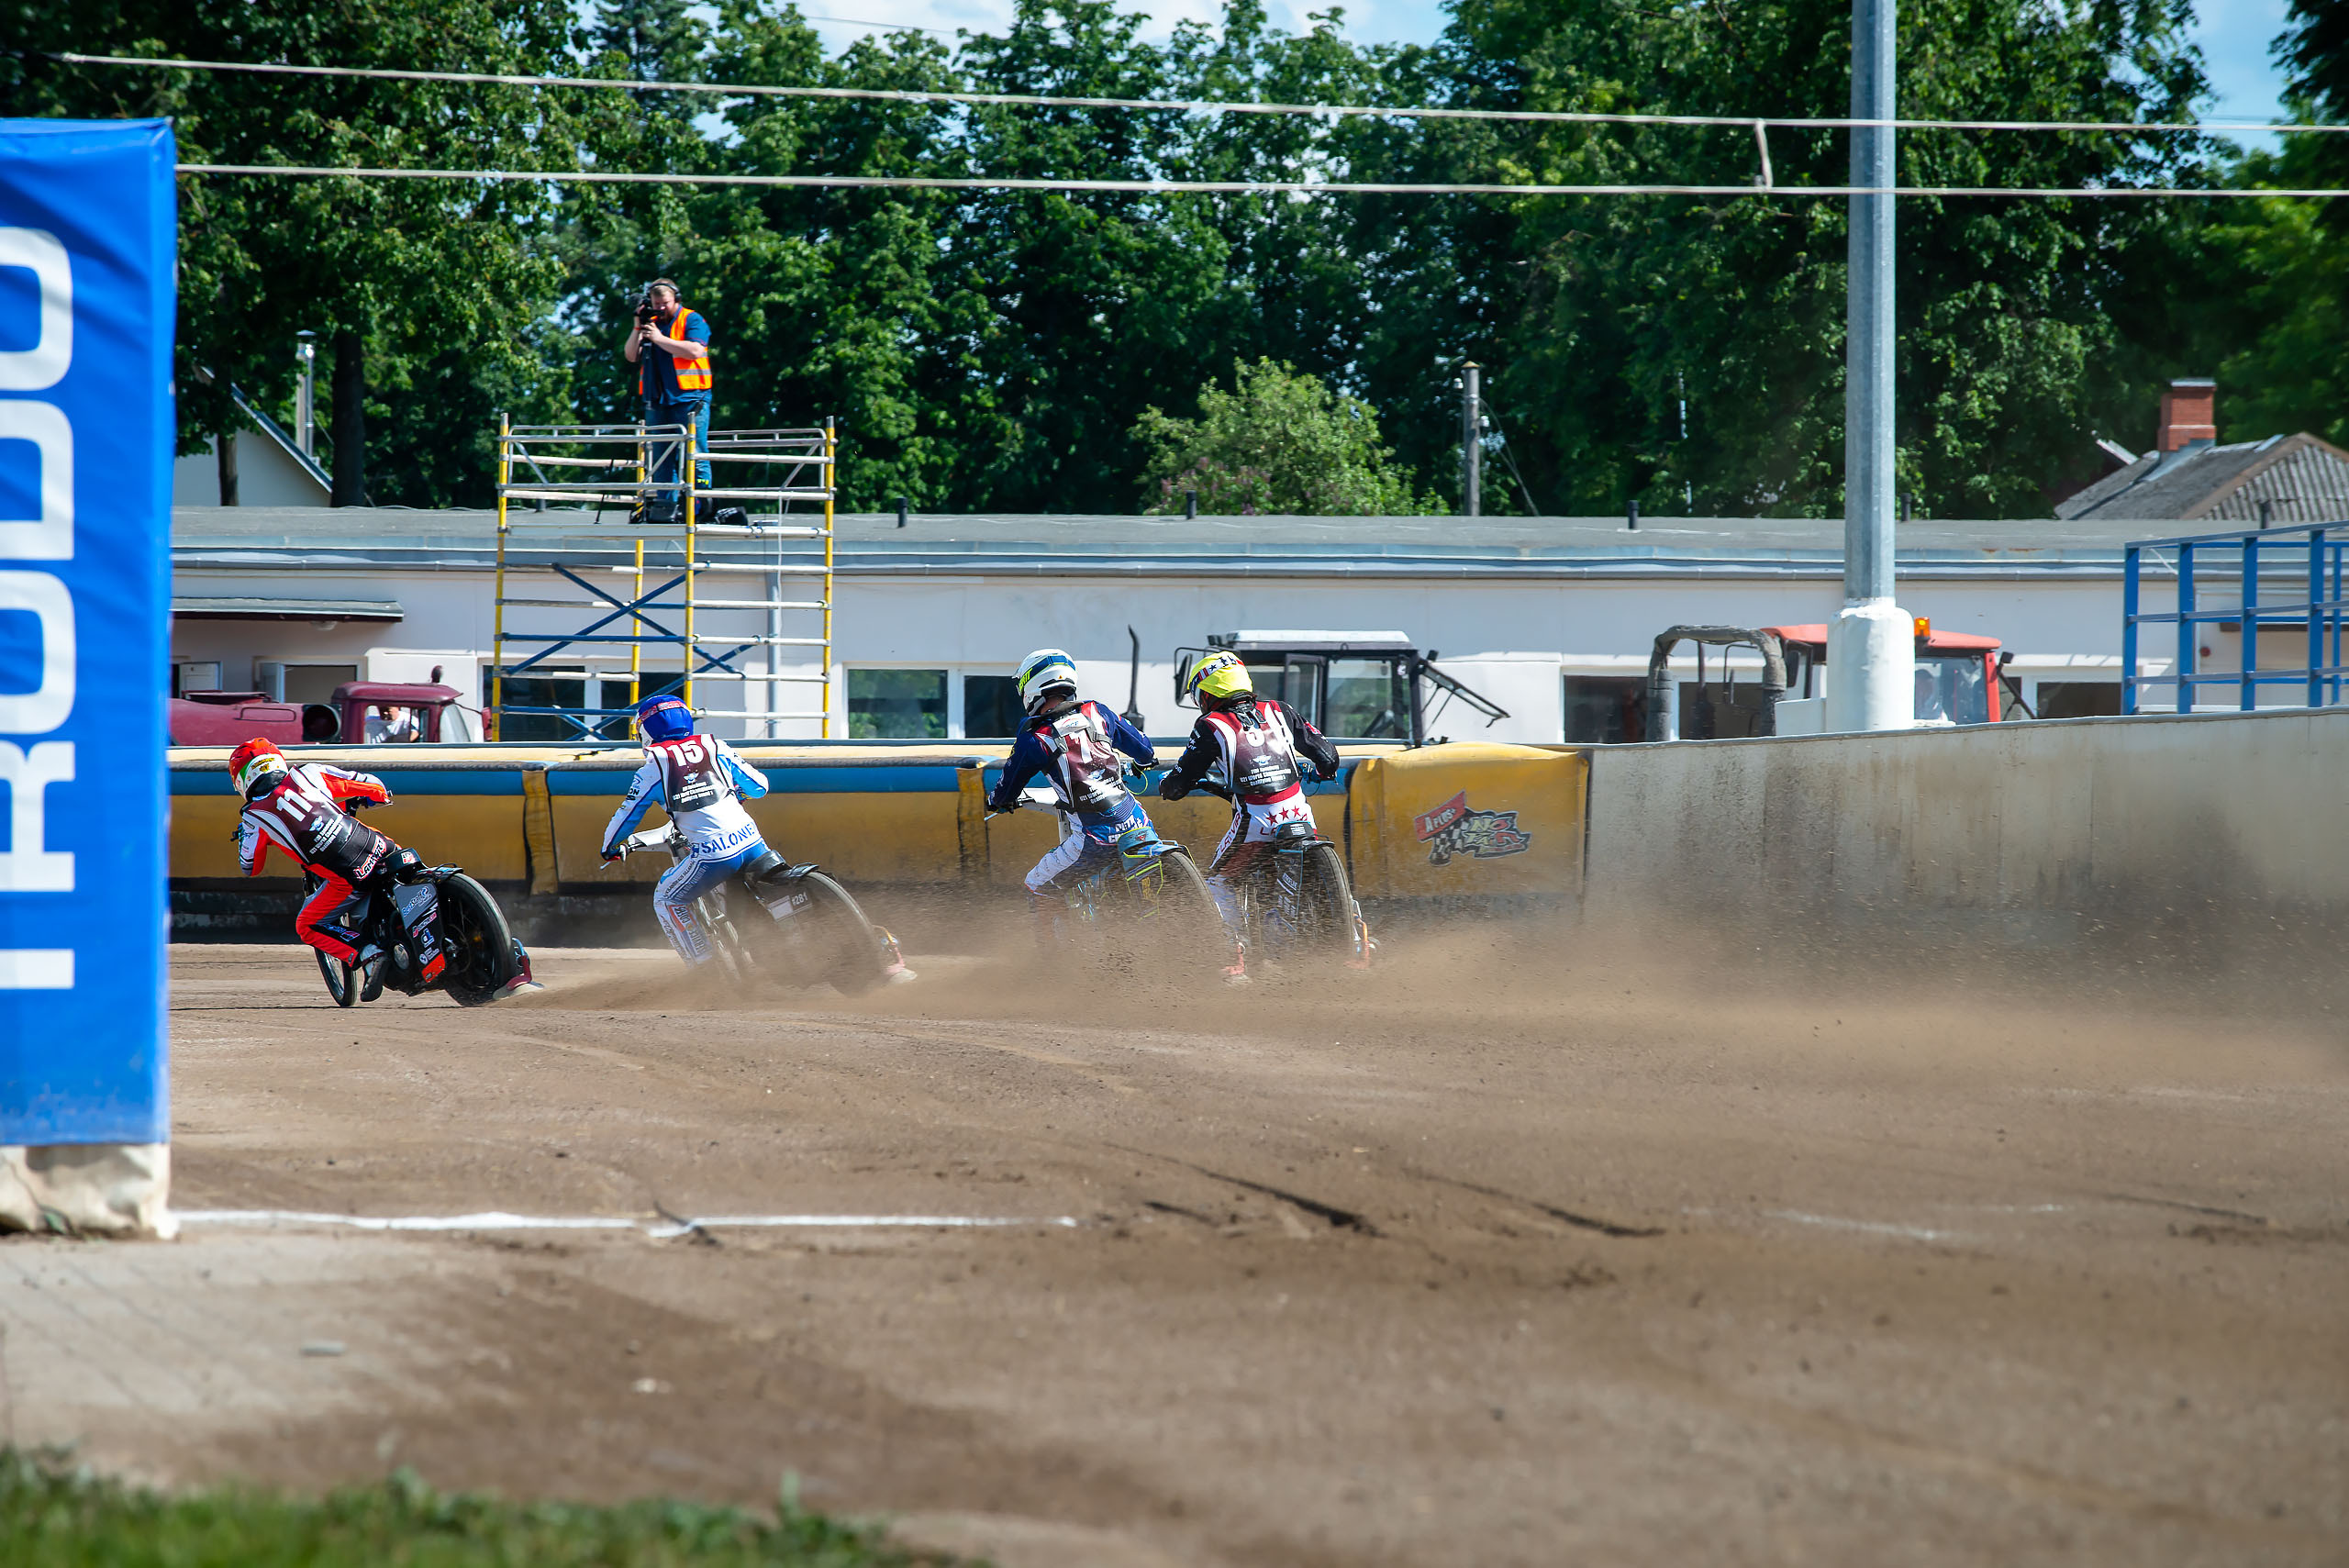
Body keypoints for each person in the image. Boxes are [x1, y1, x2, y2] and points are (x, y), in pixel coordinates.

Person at [1158, 650, 1341, 963]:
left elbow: (1178, 784)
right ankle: (1354, 939)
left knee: (1217, 882)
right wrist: (1324, 772)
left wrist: (1167, 785)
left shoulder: (1210, 726)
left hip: (1258, 820)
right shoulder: (1280, 710)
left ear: (1208, 691)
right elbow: (1328, 758)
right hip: (1299, 811)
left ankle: (1233, 956)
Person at [984, 649, 1163, 940]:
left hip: (1094, 839)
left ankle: (1054, 962)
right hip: (1137, 822)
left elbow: (1007, 787)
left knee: (1036, 884)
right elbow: (1145, 750)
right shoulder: (1099, 711)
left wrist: (998, 801)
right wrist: (1143, 762)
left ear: (1031, 687)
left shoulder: (1034, 738)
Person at [599, 694, 775, 966]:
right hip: (752, 840)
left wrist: (608, 847)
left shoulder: (654, 765)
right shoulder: (715, 745)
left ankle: (706, 970)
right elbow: (760, 787)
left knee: (667, 899)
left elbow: (628, 815)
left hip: (714, 854)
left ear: (646, 731)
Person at [231, 738, 418, 984]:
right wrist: (373, 798)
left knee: (306, 924)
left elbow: (250, 866)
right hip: (381, 846)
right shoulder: (310, 772)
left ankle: (369, 954)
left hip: (349, 878)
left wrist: (248, 835)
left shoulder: (253, 816)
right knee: (401, 860)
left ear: (243, 779)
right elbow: (373, 785)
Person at [621, 278, 713, 521]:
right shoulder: (649, 325)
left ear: (676, 300)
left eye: (665, 304)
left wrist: (659, 338)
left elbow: (695, 351)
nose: (660, 308)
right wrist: (638, 326)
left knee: (696, 455)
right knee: (662, 459)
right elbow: (631, 355)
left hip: (691, 398)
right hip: (658, 401)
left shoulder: (691, 319)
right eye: (656, 303)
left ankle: (700, 508)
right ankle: (665, 510)